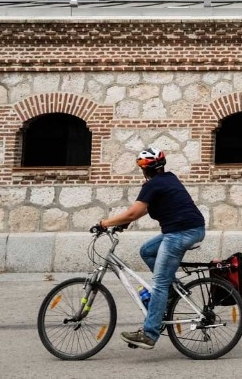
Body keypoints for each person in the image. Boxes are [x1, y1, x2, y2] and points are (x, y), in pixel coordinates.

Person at [96, 147, 206, 349]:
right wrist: (125, 224)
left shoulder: (153, 185)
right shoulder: (168, 179)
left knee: (159, 284)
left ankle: (149, 333)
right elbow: (153, 206)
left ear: (145, 169)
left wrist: (106, 223)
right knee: (147, 251)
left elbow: (132, 213)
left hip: (180, 233)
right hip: (191, 229)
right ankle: (174, 290)